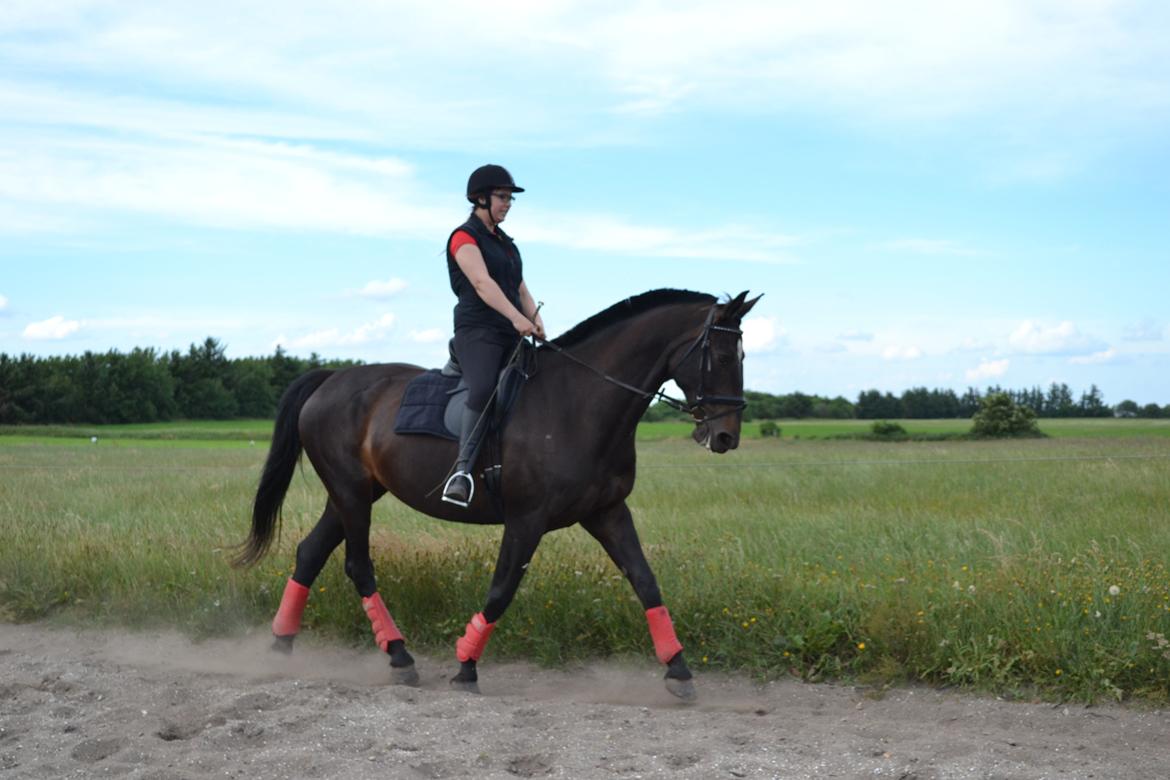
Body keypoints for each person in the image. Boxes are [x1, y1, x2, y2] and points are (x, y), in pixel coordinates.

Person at [441, 164, 545, 506]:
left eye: (510, 198)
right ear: (480, 199)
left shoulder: (508, 245)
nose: (508, 204)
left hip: (510, 329)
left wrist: (536, 319)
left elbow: (519, 286)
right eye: (502, 197)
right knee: (485, 389)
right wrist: (517, 317)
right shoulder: (463, 237)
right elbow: (483, 284)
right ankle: (461, 472)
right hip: (478, 331)